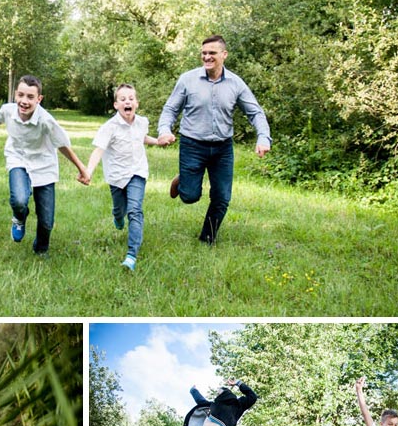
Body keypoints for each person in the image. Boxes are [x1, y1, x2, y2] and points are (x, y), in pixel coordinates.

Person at [157, 35, 271, 245]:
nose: (207, 57)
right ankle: (183, 180)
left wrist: (263, 137)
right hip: (193, 145)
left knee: (222, 197)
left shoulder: (236, 83)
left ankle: (207, 238)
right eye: (204, 53)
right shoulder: (187, 79)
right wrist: (164, 130)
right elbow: (171, 109)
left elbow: (255, 112)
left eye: (212, 53)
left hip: (222, 149)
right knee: (190, 196)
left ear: (224, 55)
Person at [0, 74, 89, 255]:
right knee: (19, 199)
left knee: (46, 221)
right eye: (20, 95)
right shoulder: (9, 110)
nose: (24, 101)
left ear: (39, 99)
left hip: (44, 165)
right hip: (17, 157)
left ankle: (41, 249)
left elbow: (63, 146)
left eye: (30, 97)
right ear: (15, 94)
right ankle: (19, 217)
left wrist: (81, 168)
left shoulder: (46, 120)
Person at [84, 83, 165, 271]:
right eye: (123, 99)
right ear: (116, 105)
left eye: (130, 98)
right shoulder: (109, 127)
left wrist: (158, 142)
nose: (127, 102)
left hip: (137, 172)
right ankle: (118, 217)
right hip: (116, 176)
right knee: (120, 210)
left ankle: (131, 255)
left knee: (135, 210)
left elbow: (141, 137)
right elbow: (99, 150)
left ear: (136, 103)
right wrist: (88, 171)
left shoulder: (142, 122)